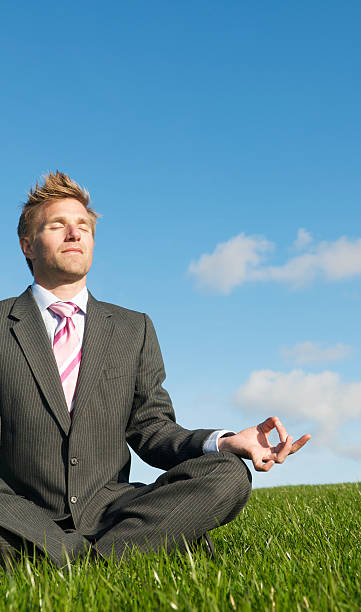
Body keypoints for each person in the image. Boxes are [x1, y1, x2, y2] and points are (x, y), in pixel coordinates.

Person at [0, 171, 310, 567]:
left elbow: (153, 430)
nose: (74, 234)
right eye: (58, 225)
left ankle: (74, 559)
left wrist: (228, 442)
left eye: (83, 227)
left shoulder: (134, 328)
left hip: (109, 511)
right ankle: (125, 552)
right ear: (27, 245)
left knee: (227, 474)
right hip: (18, 513)